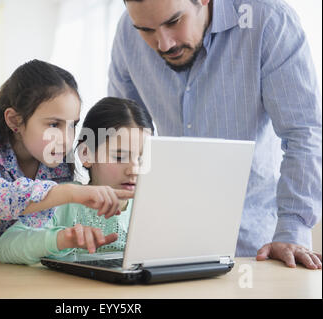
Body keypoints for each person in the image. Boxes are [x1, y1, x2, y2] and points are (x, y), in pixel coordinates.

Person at [108, 0, 322, 269]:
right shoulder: (127, 33)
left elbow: (304, 133)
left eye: (173, 22)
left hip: (256, 250)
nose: (164, 44)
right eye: (146, 30)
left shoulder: (268, 21)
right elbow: (120, 136)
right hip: (162, 246)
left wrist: (292, 230)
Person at [0, 60, 134, 260]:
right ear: (15, 121)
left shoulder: (57, 166)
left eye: (72, 125)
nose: (66, 140)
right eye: (54, 124)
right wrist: (71, 192)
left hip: (19, 269)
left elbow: (38, 228)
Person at [0, 97, 153, 265]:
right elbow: (5, 247)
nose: (134, 169)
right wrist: (61, 239)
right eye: (120, 156)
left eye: (142, 159)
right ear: (86, 153)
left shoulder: (151, 208)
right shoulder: (66, 201)